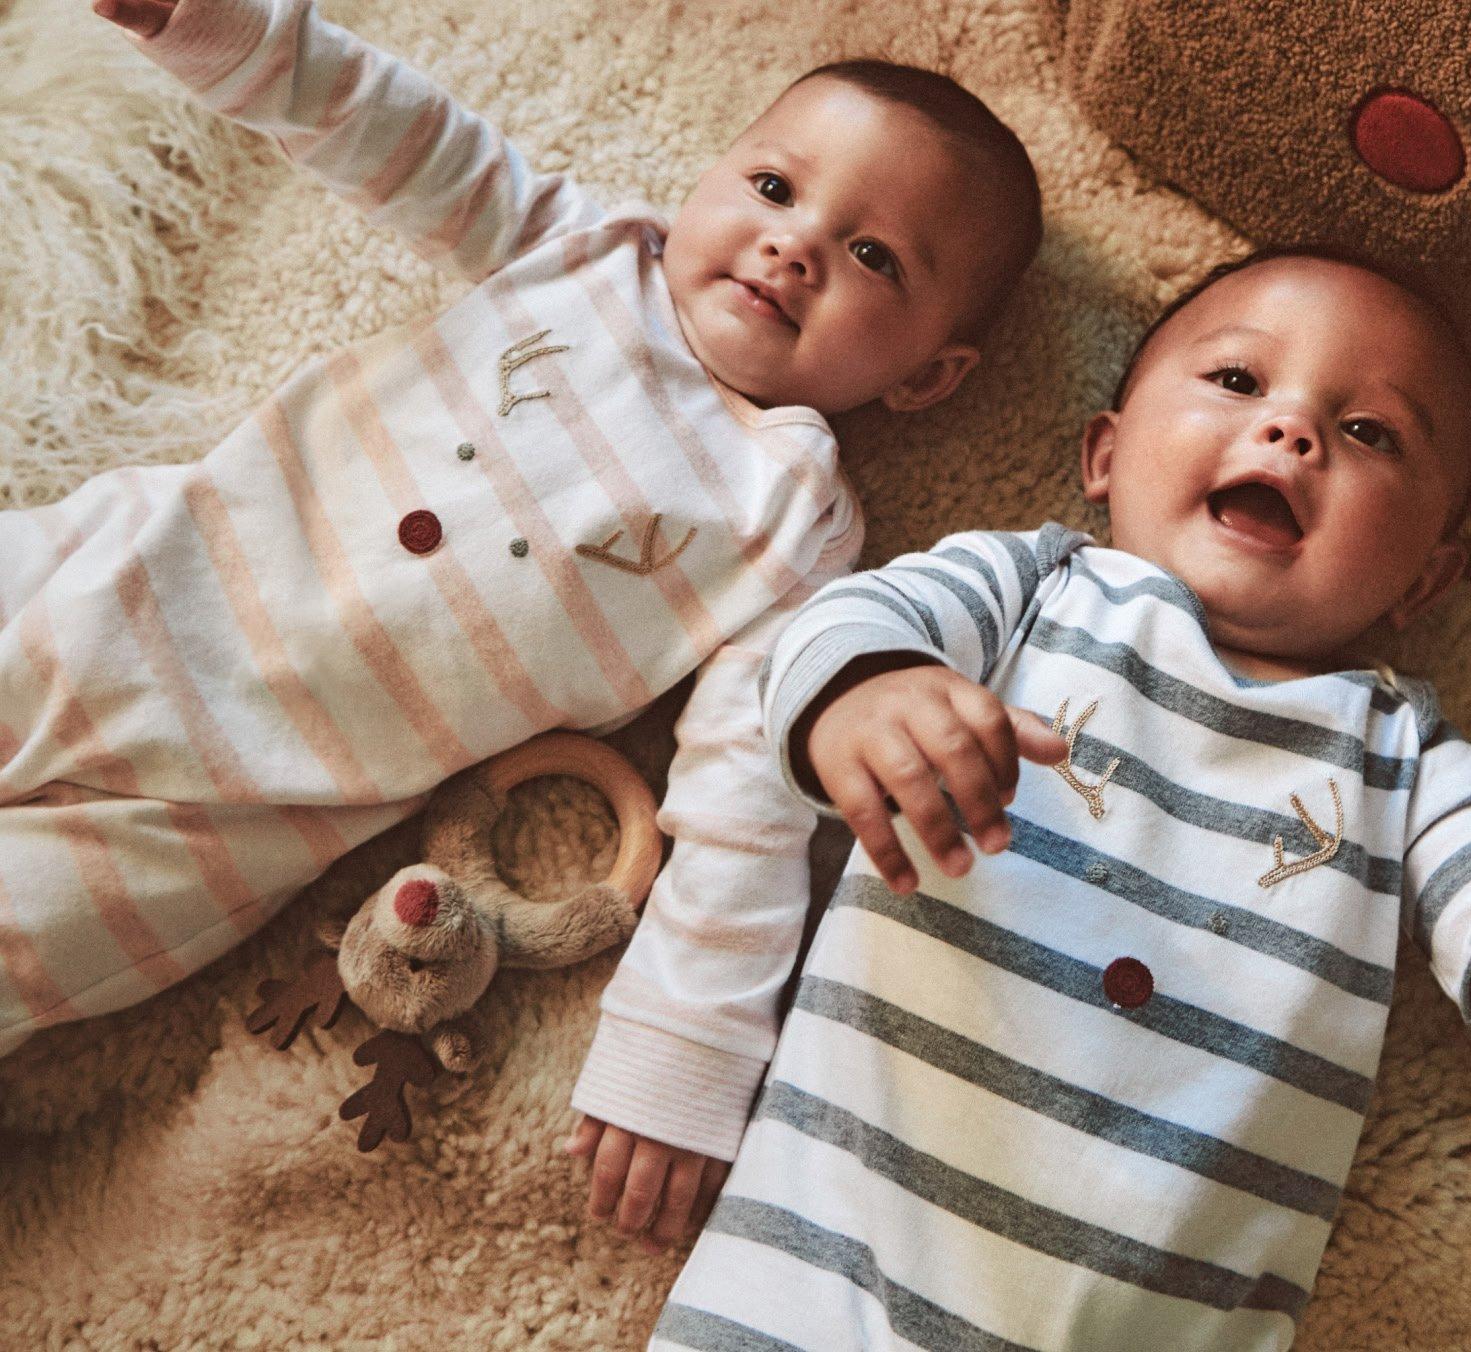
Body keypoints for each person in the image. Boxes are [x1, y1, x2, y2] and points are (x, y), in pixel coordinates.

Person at [613, 249, 1471, 1348]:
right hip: (814, 1277)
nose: (1292, 429)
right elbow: (843, 624)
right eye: (1235, 379)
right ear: (1104, 453)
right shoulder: (1032, 590)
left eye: (1369, 432)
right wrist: (869, 695)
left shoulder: (1402, 758)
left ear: (1423, 578)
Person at [4, 0, 1039, 1080]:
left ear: (928, 376)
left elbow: (743, 790)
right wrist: (229, 33)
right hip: (133, 574)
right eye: (774, 189)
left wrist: (686, 1035)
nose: (796, 245)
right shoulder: (582, 256)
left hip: (247, 808)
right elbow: (398, 134)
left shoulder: (795, 527)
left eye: (873, 256)